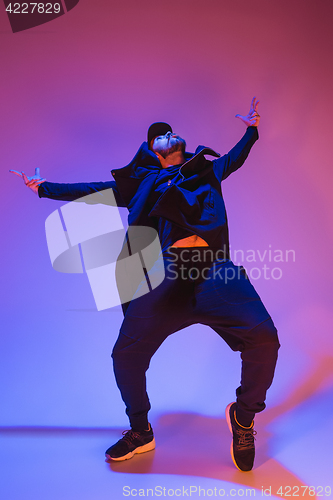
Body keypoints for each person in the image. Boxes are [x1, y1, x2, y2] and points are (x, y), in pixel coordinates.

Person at [10, 98, 280, 472]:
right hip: (166, 277)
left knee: (265, 338)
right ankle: (140, 430)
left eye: (169, 131)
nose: (167, 134)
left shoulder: (206, 169)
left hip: (214, 271)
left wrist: (251, 130)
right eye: (159, 135)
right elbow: (92, 191)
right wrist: (44, 188)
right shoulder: (141, 186)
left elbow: (236, 156)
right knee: (126, 355)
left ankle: (244, 417)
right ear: (151, 152)